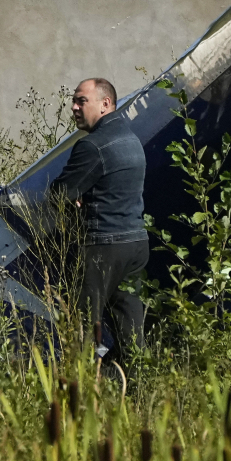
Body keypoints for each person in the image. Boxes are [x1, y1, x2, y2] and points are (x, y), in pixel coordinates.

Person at [54, 77, 148, 376]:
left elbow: (59, 195)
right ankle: (134, 389)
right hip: (135, 244)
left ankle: (81, 391)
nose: (74, 107)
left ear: (105, 104)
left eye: (82, 101)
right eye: (74, 100)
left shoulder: (93, 146)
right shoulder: (133, 141)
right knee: (131, 330)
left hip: (102, 247)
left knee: (82, 329)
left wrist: (74, 196)